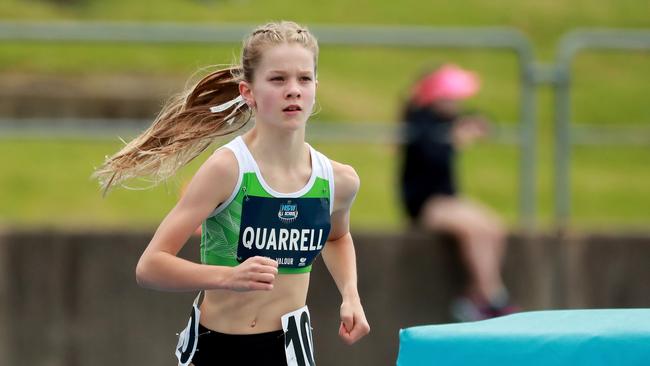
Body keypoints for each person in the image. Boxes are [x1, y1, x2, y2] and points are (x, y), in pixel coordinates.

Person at [93, 21, 370, 365]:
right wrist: (229, 277)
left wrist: (351, 295)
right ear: (248, 92)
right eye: (277, 79)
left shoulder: (338, 181)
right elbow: (149, 267)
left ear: (315, 87)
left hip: (289, 351)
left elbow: (336, 238)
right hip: (218, 347)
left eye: (304, 78)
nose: (293, 90)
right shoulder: (228, 170)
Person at [399, 64, 518, 322]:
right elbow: (430, 158)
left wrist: (477, 124)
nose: (456, 104)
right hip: (427, 204)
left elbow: (477, 120)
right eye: (451, 98)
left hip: (449, 201)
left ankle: (476, 297)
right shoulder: (419, 123)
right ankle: (493, 297)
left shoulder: (446, 120)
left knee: (494, 227)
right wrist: (453, 141)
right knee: (474, 230)